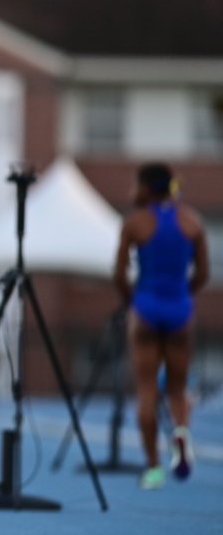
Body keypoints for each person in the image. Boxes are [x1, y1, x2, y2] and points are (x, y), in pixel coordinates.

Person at [113, 163, 210, 490]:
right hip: (180, 308)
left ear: (147, 188)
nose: (131, 192)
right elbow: (203, 274)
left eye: (135, 185)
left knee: (146, 390)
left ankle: (153, 469)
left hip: (146, 307)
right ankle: (181, 433)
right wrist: (184, 295)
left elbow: (118, 273)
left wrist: (133, 301)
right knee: (178, 390)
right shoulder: (192, 222)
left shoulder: (135, 223)